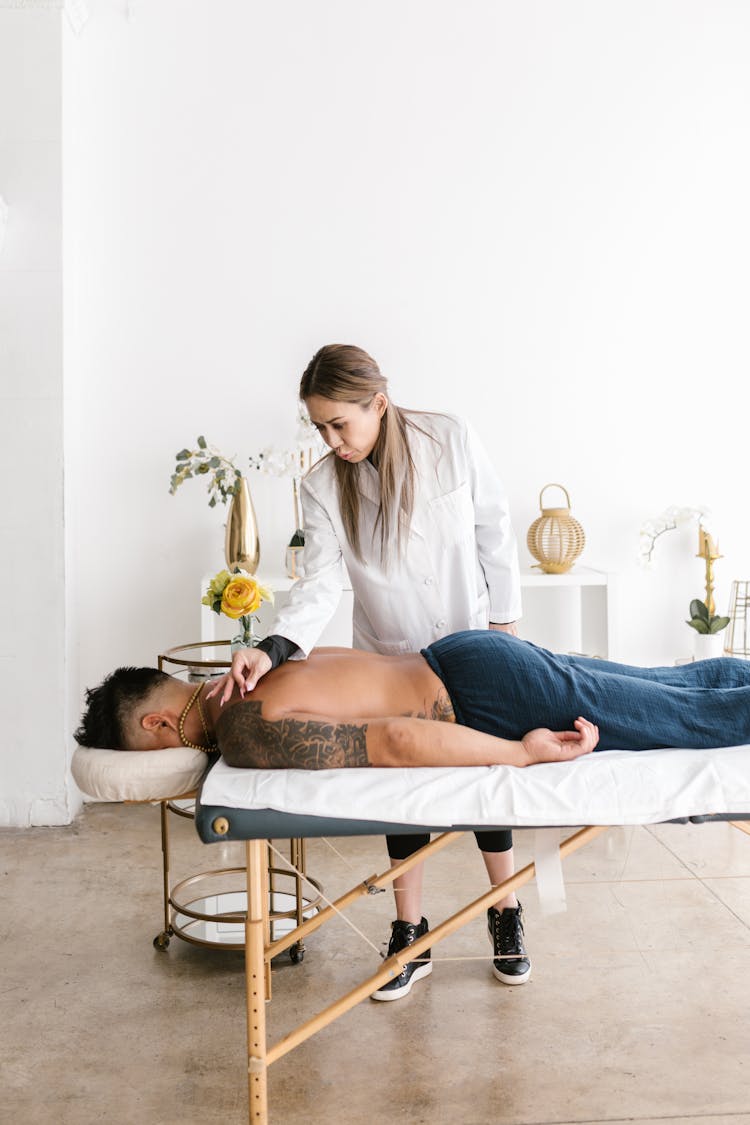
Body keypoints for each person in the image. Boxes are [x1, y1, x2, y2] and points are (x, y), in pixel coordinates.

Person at [208, 342, 527, 999]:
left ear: (377, 403)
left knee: (488, 778)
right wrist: (269, 648)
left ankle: (506, 909)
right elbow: (319, 586)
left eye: (338, 423)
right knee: (400, 789)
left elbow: (494, 528)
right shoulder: (322, 485)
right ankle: (411, 928)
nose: (330, 439)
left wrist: (505, 625)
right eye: (319, 426)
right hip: (389, 655)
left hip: (471, 643)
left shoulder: (451, 437)